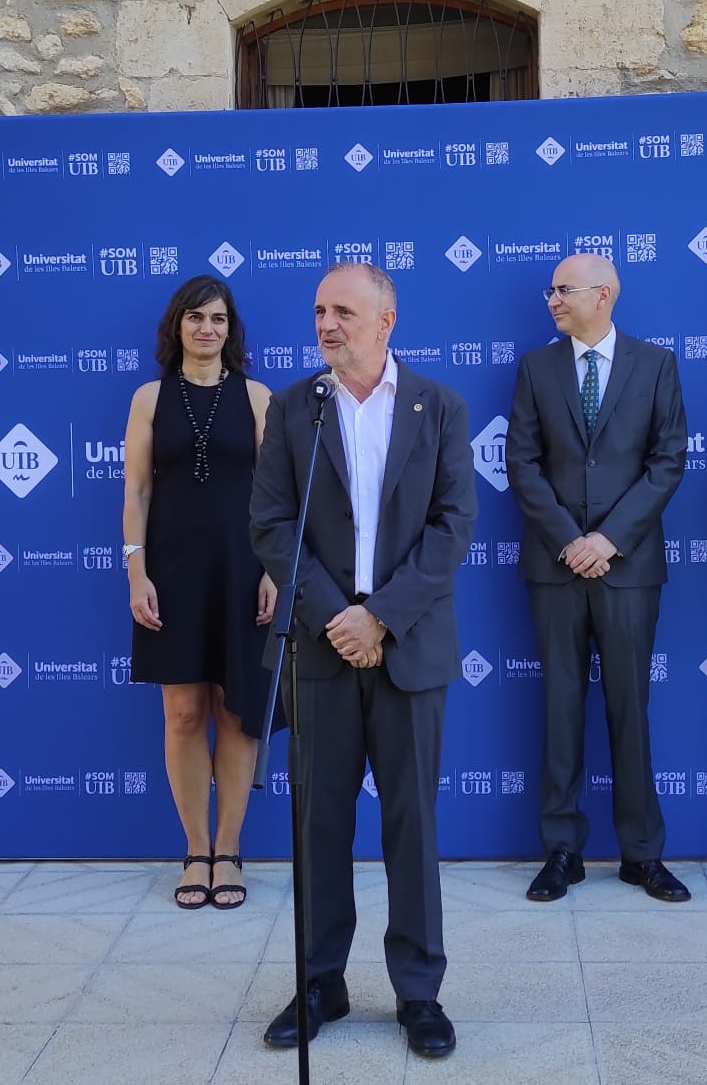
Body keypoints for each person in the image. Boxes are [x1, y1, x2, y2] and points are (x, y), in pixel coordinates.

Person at [249, 262, 476, 1058]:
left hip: (409, 648)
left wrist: (379, 617)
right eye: (319, 310)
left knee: (412, 822)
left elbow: (453, 528)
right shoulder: (293, 409)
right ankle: (321, 982)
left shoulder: (439, 406)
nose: (327, 324)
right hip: (322, 648)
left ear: (387, 321)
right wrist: (335, 617)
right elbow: (274, 524)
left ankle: (419, 992)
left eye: (344, 310)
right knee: (320, 822)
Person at [505, 252, 690, 905]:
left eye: (564, 289)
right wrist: (569, 542)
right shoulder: (535, 368)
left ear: (604, 294)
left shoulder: (656, 365)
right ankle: (562, 849)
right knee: (559, 709)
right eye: (550, 290)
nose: (552, 300)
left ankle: (643, 854)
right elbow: (521, 463)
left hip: (629, 568)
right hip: (555, 570)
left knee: (629, 710)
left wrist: (609, 540)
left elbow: (669, 461)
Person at [123, 275, 277, 910]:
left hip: (245, 571)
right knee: (183, 713)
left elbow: (278, 497)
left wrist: (274, 569)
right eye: (195, 318)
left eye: (217, 319)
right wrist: (137, 572)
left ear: (230, 329)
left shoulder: (260, 396)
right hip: (174, 573)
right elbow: (136, 491)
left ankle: (229, 850)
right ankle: (194, 850)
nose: (206, 329)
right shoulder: (149, 398)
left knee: (236, 712)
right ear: (177, 326)